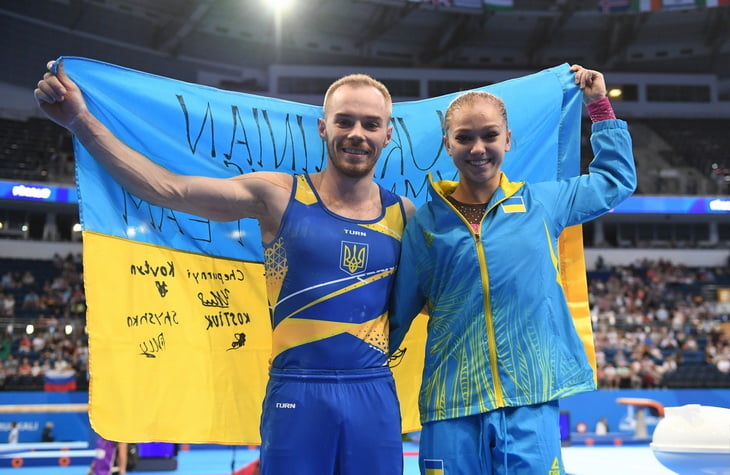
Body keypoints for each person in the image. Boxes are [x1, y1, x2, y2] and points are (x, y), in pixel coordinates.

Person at [35, 61, 415, 475]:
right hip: (298, 393)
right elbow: (169, 189)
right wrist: (80, 121)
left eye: (371, 124)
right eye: (345, 121)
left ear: (387, 134)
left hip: (373, 392)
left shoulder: (405, 215)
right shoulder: (278, 196)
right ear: (323, 127)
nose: (357, 133)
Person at [388, 65, 636, 474]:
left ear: (508, 138)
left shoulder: (543, 203)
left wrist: (599, 106)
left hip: (530, 398)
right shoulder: (425, 224)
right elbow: (396, 316)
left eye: (489, 135)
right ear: (448, 144)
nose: (478, 148)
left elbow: (615, 181)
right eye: (464, 137)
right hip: (451, 403)